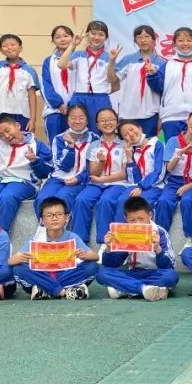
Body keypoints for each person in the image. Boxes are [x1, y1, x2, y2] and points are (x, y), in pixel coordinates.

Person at [0, 116, 52, 233]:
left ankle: (0, 235)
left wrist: (35, 161)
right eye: (1, 135)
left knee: (7, 197)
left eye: (8, 130)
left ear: (17, 126)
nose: (6, 136)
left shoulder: (36, 144)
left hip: (24, 182)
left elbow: (46, 171)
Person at [10, 197, 99, 300]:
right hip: (43, 274)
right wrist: (21, 258)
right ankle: (64, 291)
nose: (54, 218)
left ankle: (45, 290)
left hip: (64, 274)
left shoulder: (72, 237)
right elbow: (11, 261)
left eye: (59, 214)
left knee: (92, 266)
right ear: (42, 220)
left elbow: (95, 257)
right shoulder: (36, 238)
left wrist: (84, 255)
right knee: (19, 269)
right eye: (49, 215)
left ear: (67, 218)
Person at [96, 196, 178, 301]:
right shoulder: (124, 233)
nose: (137, 224)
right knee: (102, 273)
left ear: (150, 215)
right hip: (134, 273)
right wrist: (109, 248)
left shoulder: (160, 232)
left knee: (171, 276)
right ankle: (144, 289)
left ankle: (126, 289)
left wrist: (157, 248)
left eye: (141, 219)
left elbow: (169, 266)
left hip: (155, 273)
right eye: (132, 220)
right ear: (126, 218)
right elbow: (112, 265)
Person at [69, 109, 126, 243]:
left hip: (118, 183)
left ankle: (104, 242)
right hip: (96, 183)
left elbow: (125, 173)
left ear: (117, 122)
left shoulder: (125, 144)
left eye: (111, 119)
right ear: (97, 125)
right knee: (81, 199)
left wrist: (103, 179)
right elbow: (93, 173)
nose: (107, 123)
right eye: (103, 120)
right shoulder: (94, 146)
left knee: (106, 200)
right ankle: (79, 242)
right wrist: (101, 162)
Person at [148, 27, 192, 140]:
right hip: (171, 116)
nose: (185, 44)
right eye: (180, 40)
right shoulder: (168, 65)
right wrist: (153, 75)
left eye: (188, 40)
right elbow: (158, 88)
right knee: (173, 148)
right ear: (174, 44)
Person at [37, 104, 97, 218]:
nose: (77, 121)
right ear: (67, 120)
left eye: (81, 118)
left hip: (81, 180)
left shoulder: (95, 139)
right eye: (73, 118)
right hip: (58, 178)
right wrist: (70, 147)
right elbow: (63, 166)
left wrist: (79, 178)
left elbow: (94, 168)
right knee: (42, 199)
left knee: (63, 198)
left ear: (87, 120)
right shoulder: (59, 139)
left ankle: (62, 227)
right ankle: (43, 227)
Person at [158, 110, 192, 239]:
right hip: (173, 181)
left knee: (187, 201)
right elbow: (168, 169)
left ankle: (189, 238)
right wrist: (180, 154)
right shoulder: (173, 141)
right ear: (187, 120)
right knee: (163, 201)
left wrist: (189, 186)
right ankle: (160, 237)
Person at [108, 24, 165, 138]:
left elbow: (164, 91)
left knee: (148, 145)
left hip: (151, 114)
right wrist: (112, 62)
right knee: (128, 144)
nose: (143, 40)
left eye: (147, 36)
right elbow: (112, 79)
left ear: (154, 40)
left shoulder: (162, 63)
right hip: (128, 113)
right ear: (135, 41)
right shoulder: (128, 60)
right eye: (139, 37)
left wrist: (161, 116)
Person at [0, 33, 41, 138]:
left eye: (13, 44)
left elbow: (32, 96)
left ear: (20, 48)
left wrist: (33, 119)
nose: (9, 48)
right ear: (1, 50)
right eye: (5, 46)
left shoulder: (29, 70)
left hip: (21, 113)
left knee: (19, 141)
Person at [58, 21, 113, 135]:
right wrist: (73, 45)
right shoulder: (79, 54)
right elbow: (61, 64)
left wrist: (112, 61)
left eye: (101, 34)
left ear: (106, 37)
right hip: (79, 96)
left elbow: (112, 80)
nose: (96, 37)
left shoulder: (109, 56)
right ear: (87, 34)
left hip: (100, 97)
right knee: (76, 130)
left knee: (99, 130)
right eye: (93, 33)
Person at [41, 25, 76, 140]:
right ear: (53, 41)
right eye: (58, 37)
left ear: (72, 38)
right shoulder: (48, 61)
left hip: (76, 111)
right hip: (54, 111)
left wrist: (72, 105)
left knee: (76, 144)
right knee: (55, 143)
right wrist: (59, 104)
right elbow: (46, 85)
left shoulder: (80, 58)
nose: (62, 39)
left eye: (66, 36)